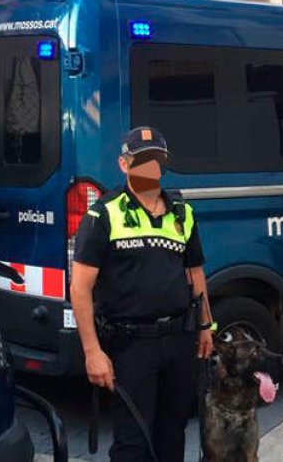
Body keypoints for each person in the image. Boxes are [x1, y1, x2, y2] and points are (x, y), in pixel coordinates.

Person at [70, 126, 214, 462]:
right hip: (130, 345)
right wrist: (92, 352)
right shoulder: (104, 214)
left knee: (172, 433)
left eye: (156, 161)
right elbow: (80, 287)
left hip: (178, 339)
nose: (149, 169)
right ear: (124, 165)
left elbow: (195, 274)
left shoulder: (182, 213)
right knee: (132, 443)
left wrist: (206, 325)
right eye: (141, 161)